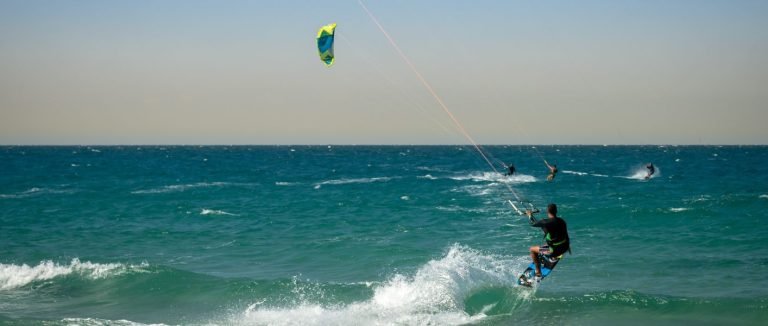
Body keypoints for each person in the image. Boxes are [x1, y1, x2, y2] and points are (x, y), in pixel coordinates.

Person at [527, 203, 570, 280]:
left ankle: (538, 272)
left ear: (547, 211)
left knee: (532, 249)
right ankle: (552, 256)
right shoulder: (561, 221)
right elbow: (565, 234)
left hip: (553, 251)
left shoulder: (545, 222)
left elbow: (533, 223)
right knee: (549, 238)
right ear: (556, 211)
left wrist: (530, 215)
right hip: (564, 247)